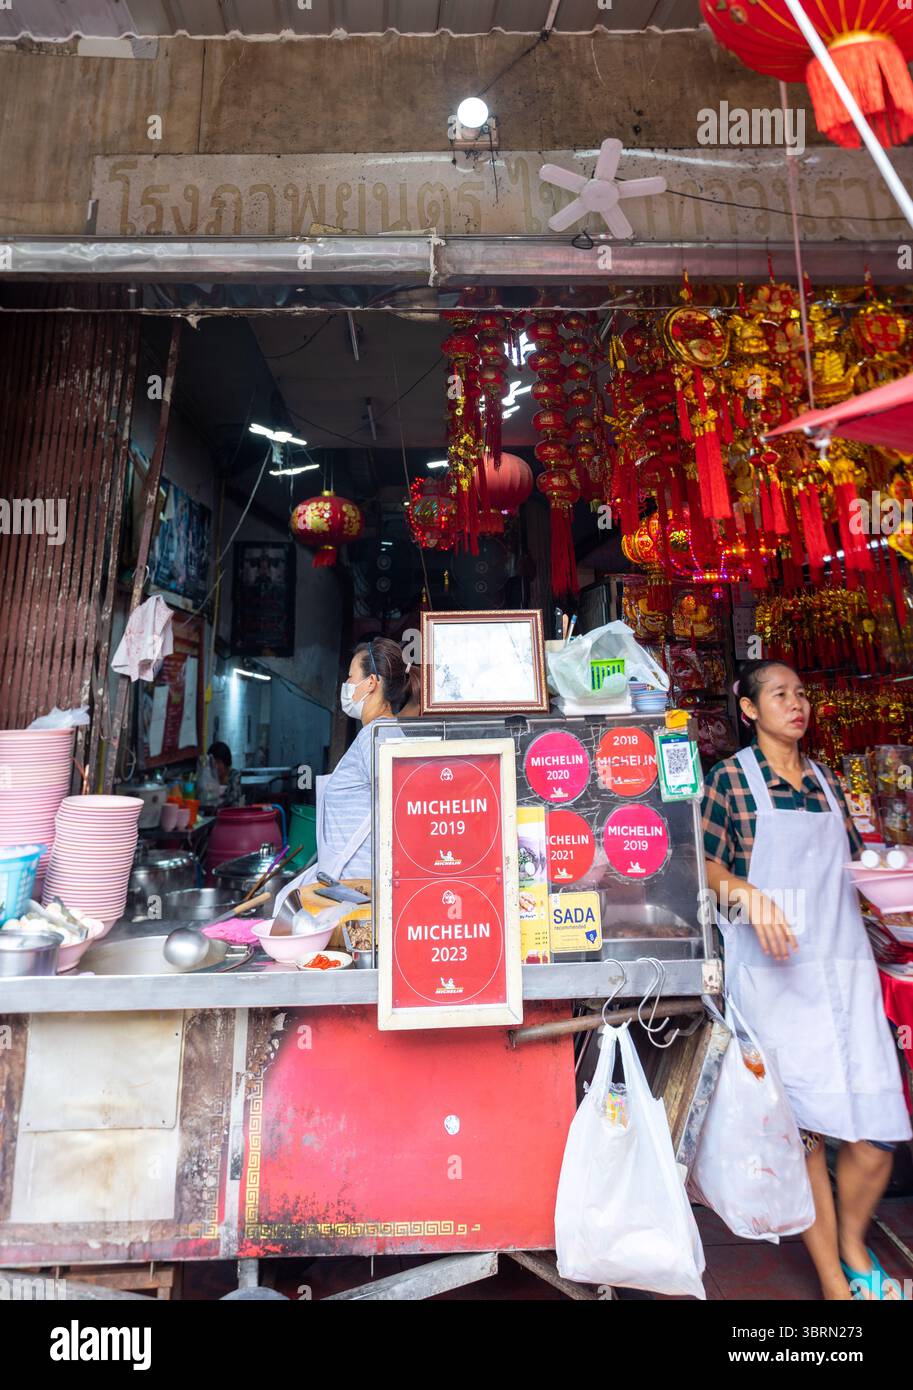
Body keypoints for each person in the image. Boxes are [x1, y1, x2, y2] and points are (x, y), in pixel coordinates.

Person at [702, 658, 911, 1301]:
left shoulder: (824, 781)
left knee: (879, 1131)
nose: (797, 705)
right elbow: (703, 868)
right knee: (807, 1138)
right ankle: (836, 1282)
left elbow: (849, 868)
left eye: (802, 694)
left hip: (842, 973)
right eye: (781, 695)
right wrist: (741, 889)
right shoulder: (731, 782)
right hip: (775, 981)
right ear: (749, 709)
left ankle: (852, 1242)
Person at [273, 638, 420, 909]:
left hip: (358, 892)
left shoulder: (377, 736)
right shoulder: (376, 734)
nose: (347, 684)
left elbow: (403, 811)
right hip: (354, 889)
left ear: (371, 682)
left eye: (351, 677)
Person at [208, 740, 244, 808]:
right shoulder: (209, 777)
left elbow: (234, 801)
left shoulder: (234, 776)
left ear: (226, 762)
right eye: (212, 762)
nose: (215, 766)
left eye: (218, 762)